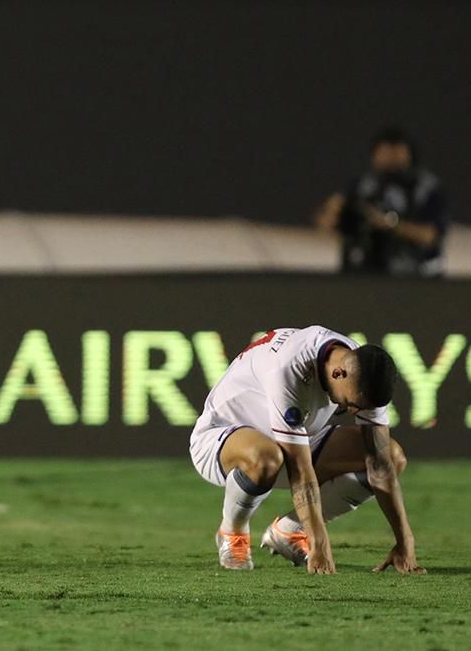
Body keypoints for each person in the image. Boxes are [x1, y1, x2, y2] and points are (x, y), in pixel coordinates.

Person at [188, 326, 425, 575]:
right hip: (219, 441)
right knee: (266, 456)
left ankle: (289, 531)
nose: (355, 412)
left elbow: (380, 465)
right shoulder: (289, 368)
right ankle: (233, 532)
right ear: (338, 373)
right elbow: (300, 471)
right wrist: (319, 542)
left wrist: (405, 541)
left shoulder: (362, 370)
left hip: (292, 439)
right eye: (354, 405)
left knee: (392, 456)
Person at [316, 128, 448, 277]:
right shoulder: (363, 186)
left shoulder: (425, 189)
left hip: (415, 276)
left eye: (396, 155)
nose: (390, 161)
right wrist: (334, 209)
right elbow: (325, 224)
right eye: (385, 154)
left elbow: (430, 236)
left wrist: (389, 224)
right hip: (364, 274)